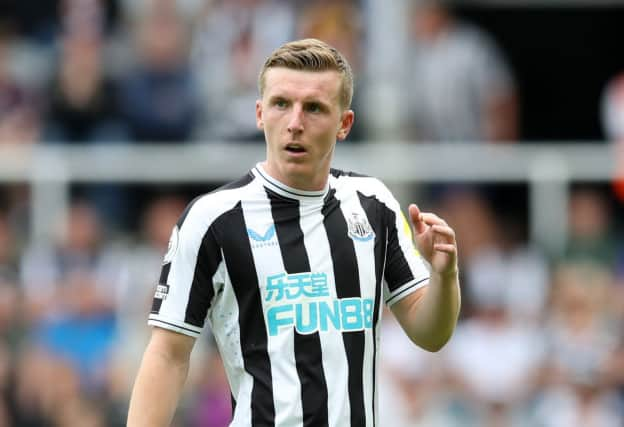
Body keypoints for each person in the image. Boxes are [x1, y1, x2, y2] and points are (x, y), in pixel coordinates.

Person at [127, 38, 461, 426]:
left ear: (344, 124)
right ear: (259, 113)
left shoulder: (375, 204)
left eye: (314, 108)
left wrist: (444, 275)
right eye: (281, 104)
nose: (295, 123)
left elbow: (432, 334)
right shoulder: (213, 220)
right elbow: (167, 353)